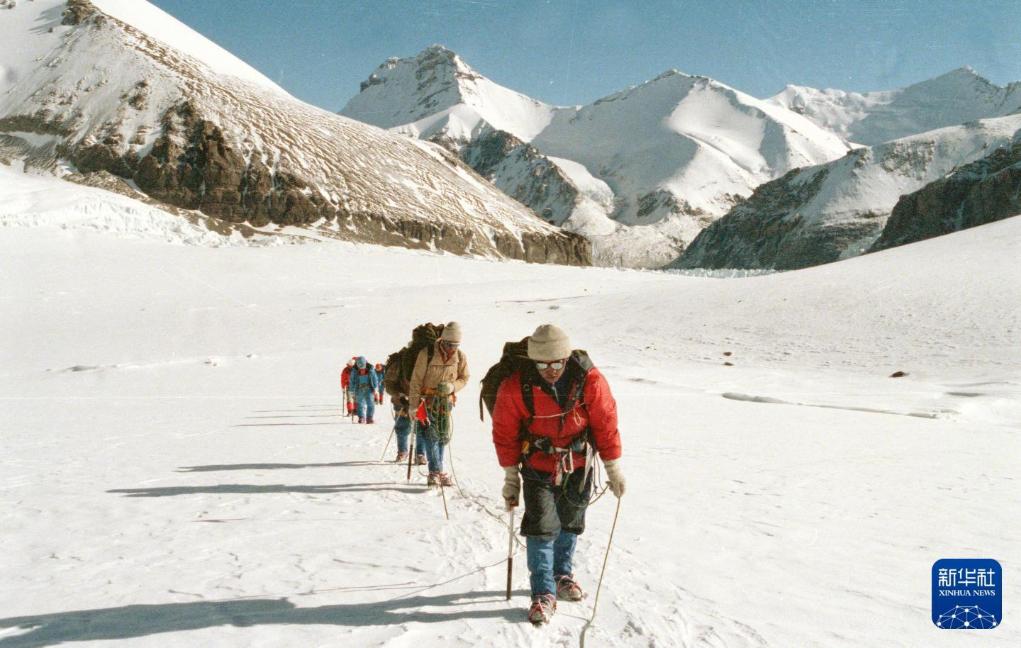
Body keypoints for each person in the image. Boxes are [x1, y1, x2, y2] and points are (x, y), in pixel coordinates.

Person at [491, 324, 625, 625]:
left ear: (566, 358)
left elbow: (605, 422)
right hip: (537, 465)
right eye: (541, 365)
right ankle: (543, 593)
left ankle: (562, 574)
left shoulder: (589, 379)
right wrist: (511, 477)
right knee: (541, 527)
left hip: (579, 465)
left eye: (556, 363)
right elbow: (505, 432)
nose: (549, 371)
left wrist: (613, 467)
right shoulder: (515, 386)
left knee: (570, 522)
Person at [408, 321, 469, 486]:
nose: (452, 349)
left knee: (442, 437)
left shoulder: (460, 356)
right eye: (450, 345)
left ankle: (438, 470)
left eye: (456, 345)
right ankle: (435, 472)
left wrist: (452, 387)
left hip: (446, 403)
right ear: (443, 341)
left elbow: (464, 378)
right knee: (432, 436)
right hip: (427, 402)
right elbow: (416, 381)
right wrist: (413, 405)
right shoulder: (427, 354)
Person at [383, 358, 427, 465]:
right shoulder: (399, 361)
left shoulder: (426, 360)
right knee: (402, 427)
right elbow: (389, 383)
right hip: (401, 401)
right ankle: (402, 452)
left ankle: (420, 454)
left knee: (421, 428)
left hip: (421, 401)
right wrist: (399, 394)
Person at [349, 356, 380, 424]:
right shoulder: (354, 371)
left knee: (370, 403)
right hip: (359, 389)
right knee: (360, 404)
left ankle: (369, 418)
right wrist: (351, 391)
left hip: (369, 389)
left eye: (363, 368)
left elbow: (375, 379)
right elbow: (352, 381)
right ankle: (361, 417)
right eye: (360, 368)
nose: (362, 370)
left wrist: (375, 388)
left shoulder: (371, 370)